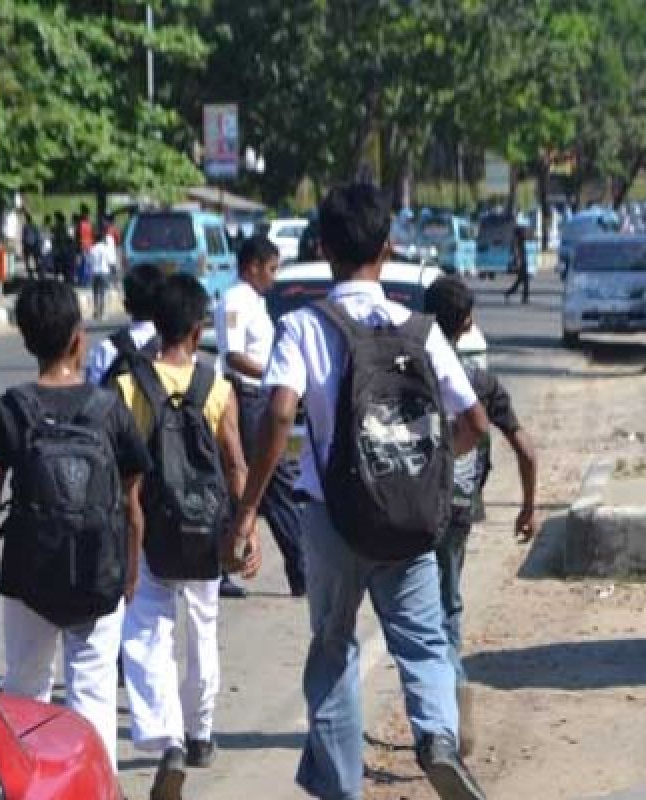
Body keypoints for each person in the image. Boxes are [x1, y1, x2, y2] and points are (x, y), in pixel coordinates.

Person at [227, 183, 490, 800]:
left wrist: (246, 513)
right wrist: (426, 464)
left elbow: (279, 413)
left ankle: (343, 788)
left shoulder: (302, 329)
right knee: (424, 643)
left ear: (323, 248)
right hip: (409, 520)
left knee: (334, 650)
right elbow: (475, 422)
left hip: (331, 516)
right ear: (388, 246)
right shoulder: (420, 329)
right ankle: (437, 740)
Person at [0, 280, 152, 770]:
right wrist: (130, 571)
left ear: (26, 341)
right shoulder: (109, 409)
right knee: (92, 695)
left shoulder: (11, 409)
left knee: (26, 693)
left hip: (27, 576)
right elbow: (134, 505)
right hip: (98, 574)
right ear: (78, 338)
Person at [118, 274, 247, 800]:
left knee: (148, 634)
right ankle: (200, 733)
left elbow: (118, 470)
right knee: (202, 626)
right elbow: (236, 462)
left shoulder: (127, 387)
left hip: (148, 529)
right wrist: (245, 528)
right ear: (197, 332)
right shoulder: (217, 389)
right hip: (205, 530)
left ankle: (166, 736)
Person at [423, 275, 538, 756]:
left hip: (411, 510)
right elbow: (526, 451)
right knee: (447, 606)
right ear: (467, 324)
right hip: (460, 511)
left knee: (416, 613)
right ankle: (452, 704)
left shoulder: (413, 373)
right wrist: (529, 508)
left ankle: (438, 715)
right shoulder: (483, 385)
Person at [216, 234, 306, 598]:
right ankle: (301, 571)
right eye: (270, 269)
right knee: (274, 481)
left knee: (254, 485)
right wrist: (273, 374)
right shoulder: (234, 300)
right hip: (246, 397)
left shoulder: (254, 301)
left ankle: (295, 569)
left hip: (260, 396)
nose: (274, 276)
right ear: (251, 267)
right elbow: (234, 356)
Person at [87, 263, 167, 387]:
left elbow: (94, 390)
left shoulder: (107, 348)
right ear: (162, 304)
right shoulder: (171, 349)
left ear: (126, 306)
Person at [503, 221, 530, 304]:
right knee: (524, 280)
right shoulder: (516, 241)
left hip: (522, 260)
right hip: (521, 261)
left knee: (521, 280)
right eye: (523, 231)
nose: (525, 233)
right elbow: (515, 252)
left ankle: (509, 293)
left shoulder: (520, 240)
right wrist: (518, 261)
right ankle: (524, 297)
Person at [88, 234, 113, 320]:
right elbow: (110, 260)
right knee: (103, 293)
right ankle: (102, 314)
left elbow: (89, 261)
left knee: (95, 293)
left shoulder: (92, 249)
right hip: (104, 271)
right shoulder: (105, 249)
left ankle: (95, 312)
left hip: (94, 272)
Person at [22, 211, 41, 279]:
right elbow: (38, 236)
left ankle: (30, 273)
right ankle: (39, 273)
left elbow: (24, 237)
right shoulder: (35, 226)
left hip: (27, 245)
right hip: (34, 245)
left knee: (27, 259)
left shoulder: (25, 226)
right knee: (35, 259)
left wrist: (23, 244)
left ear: (26, 219)